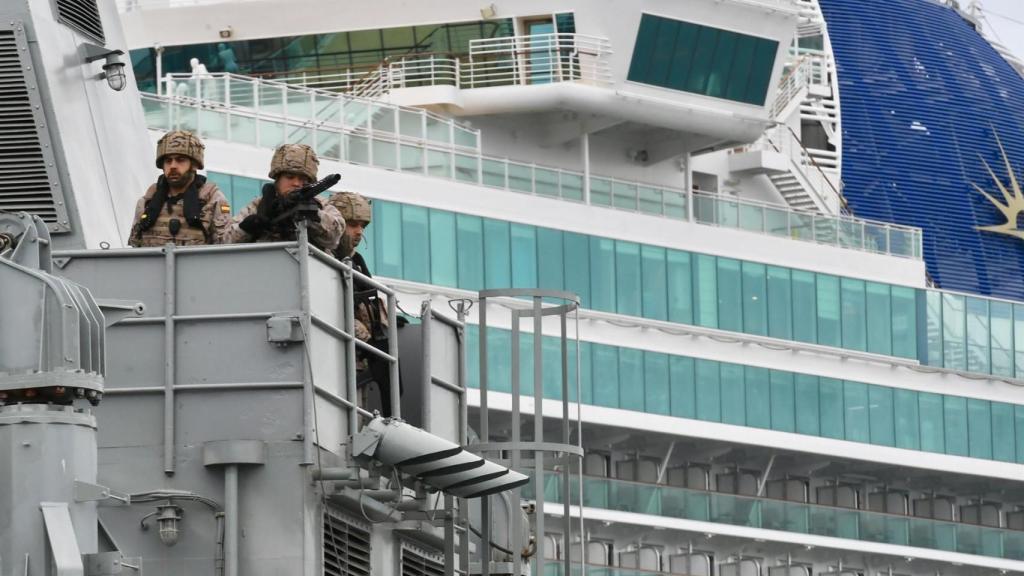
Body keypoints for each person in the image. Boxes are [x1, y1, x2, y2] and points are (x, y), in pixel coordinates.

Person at [328, 191, 403, 417]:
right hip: (334, 359)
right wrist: (368, 339)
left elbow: (365, 303)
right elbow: (331, 309)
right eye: (352, 224)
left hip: (357, 360)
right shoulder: (323, 258)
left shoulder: (356, 262)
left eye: (363, 226)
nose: (359, 232)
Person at [228, 144, 343, 251]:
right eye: (290, 177)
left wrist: (316, 217)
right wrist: (246, 228)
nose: (296, 183)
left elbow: (335, 238)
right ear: (277, 180)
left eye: (303, 179)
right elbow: (224, 243)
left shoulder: (319, 204)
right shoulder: (259, 205)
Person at [128, 130, 232, 247]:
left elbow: (226, 246)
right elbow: (135, 249)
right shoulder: (147, 202)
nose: (173, 166)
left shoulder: (212, 199)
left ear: (194, 164)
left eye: (180, 160)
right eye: (168, 161)